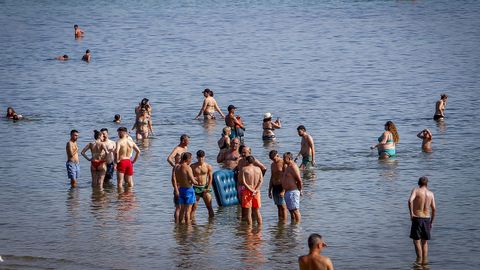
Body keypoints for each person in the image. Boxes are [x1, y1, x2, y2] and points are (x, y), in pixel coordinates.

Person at [408, 176, 436, 265]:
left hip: (417, 218)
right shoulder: (431, 193)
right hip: (427, 218)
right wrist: (432, 221)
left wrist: (411, 213)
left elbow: (410, 201)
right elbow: (434, 209)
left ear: (418, 183)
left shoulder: (416, 190)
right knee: (424, 242)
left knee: (416, 241)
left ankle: (419, 262)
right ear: (427, 184)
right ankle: (425, 263)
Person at [173, 152, 199, 224]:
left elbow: (178, 178)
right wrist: (196, 180)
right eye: (190, 158)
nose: (191, 160)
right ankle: (188, 228)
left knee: (182, 210)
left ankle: (180, 227)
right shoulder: (188, 168)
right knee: (188, 211)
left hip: (181, 189)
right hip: (188, 190)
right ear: (187, 159)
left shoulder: (177, 167)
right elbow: (193, 181)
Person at [239, 156, 263, 225]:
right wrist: (256, 190)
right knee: (257, 211)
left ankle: (249, 229)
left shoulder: (244, 169)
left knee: (248, 212)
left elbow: (243, 182)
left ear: (247, 161)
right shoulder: (258, 169)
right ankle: (260, 227)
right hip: (256, 192)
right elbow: (261, 180)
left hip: (248, 191)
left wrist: (251, 190)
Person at [190, 150, 215, 219]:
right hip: (196, 187)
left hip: (205, 187)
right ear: (197, 157)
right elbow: (189, 177)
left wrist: (208, 188)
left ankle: (211, 224)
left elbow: (210, 178)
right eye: (199, 157)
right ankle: (192, 223)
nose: (201, 159)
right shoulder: (193, 166)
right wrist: (193, 179)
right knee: (193, 207)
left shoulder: (208, 166)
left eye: (202, 157)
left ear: (204, 157)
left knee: (209, 206)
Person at [282, 152, 303, 223]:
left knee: (295, 210)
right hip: (288, 192)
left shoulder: (293, 166)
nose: (283, 159)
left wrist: (300, 190)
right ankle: (293, 226)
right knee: (291, 210)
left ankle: (297, 227)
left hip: (293, 191)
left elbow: (299, 180)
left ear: (289, 158)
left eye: (284, 158)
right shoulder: (287, 166)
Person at [268, 150, 287, 221]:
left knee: (283, 206)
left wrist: (284, 191)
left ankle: (284, 223)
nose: (273, 160)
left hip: (281, 186)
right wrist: (269, 190)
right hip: (274, 187)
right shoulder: (272, 164)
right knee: (278, 206)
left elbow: (286, 177)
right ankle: (280, 223)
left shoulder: (283, 163)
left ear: (277, 155)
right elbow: (272, 177)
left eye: (274, 158)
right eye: (271, 159)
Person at [171, 153, 182, 223]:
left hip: (178, 188)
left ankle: (178, 223)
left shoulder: (176, 167)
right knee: (178, 207)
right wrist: (176, 188)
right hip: (178, 188)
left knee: (179, 207)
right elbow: (173, 179)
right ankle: (177, 222)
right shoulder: (177, 167)